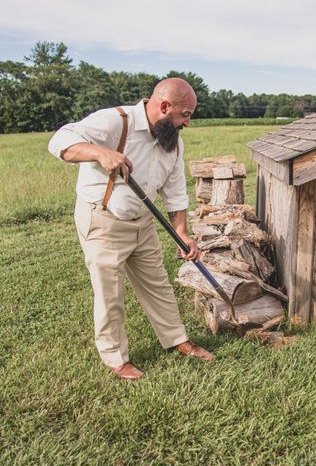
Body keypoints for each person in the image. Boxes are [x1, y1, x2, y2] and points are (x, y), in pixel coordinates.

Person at [48, 77, 213, 381]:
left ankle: (177, 339)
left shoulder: (172, 142)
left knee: (158, 284)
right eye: (185, 114)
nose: (187, 123)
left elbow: (175, 194)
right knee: (110, 291)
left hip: (144, 223)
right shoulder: (115, 121)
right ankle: (115, 358)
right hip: (103, 222)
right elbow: (60, 141)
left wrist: (182, 233)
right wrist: (100, 153)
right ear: (165, 106)